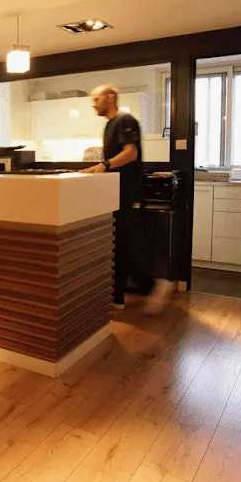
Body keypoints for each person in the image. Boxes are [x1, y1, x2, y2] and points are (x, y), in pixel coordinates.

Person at [80, 84, 170, 315]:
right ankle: (120, 296)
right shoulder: (110, 124)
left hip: (127, 192)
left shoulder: (125, 120)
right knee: (118, 244)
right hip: (116, 192)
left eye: (96, 99)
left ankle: (143, 288)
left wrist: (103, 165)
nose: (93, 104)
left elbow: (131, 153)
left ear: (110, 98)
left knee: (122, 244)